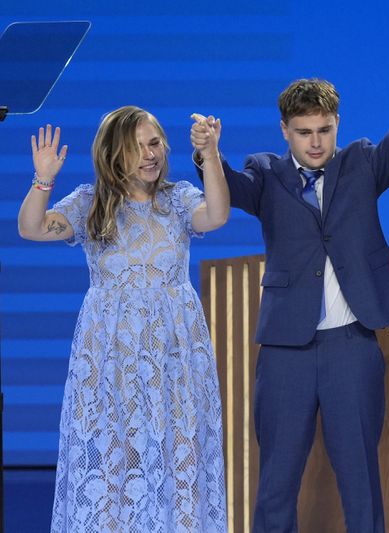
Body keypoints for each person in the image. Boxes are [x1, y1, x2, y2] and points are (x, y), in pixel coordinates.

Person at [190, 29, 389, 532]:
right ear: (285, 131)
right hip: (286, 350)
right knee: (276, 483)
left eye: (325, 130)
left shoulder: (360, 163)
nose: (316, 142)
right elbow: (229, 189)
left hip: (352, 348)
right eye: (305, 131)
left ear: (338, 127)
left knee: (361, 481)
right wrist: (207, 153)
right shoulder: (264, 174)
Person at [18, 107, 230, 532]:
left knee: (177, 454)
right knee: (114, 461)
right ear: (113, 155)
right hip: (111, 358)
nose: (149, 155)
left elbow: (217, 215)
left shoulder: (177, 199)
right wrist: (43, 179)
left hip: (174, 357)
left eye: (154, 144)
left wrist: (210, 156)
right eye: (136, 148)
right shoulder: (89, 204)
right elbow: (32, 228)